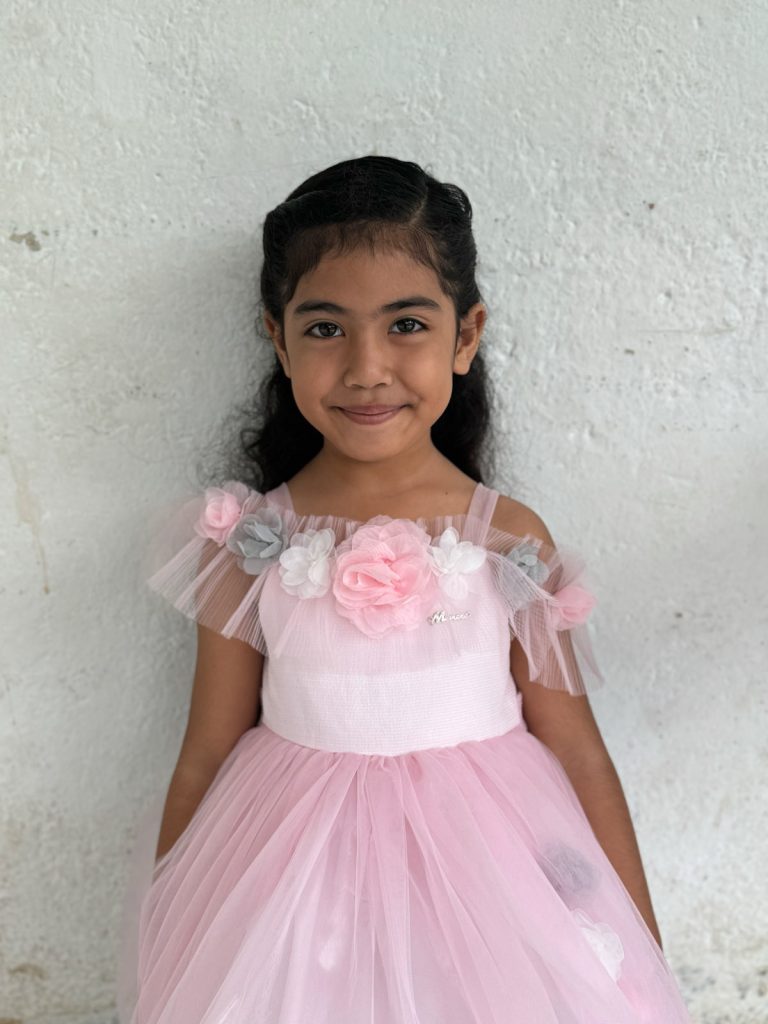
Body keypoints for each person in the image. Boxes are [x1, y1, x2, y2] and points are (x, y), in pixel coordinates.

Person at [116, 155, 692, 1022]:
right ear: (277, 337)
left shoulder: (506, 539)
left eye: (407, 325)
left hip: (490, 879)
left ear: (466, 335)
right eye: (325, 328)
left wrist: (639, 945)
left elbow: (577, 747)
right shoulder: (251, 546)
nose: (367, 367)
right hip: (297, 883)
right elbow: (207, 749)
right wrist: (174, 934)